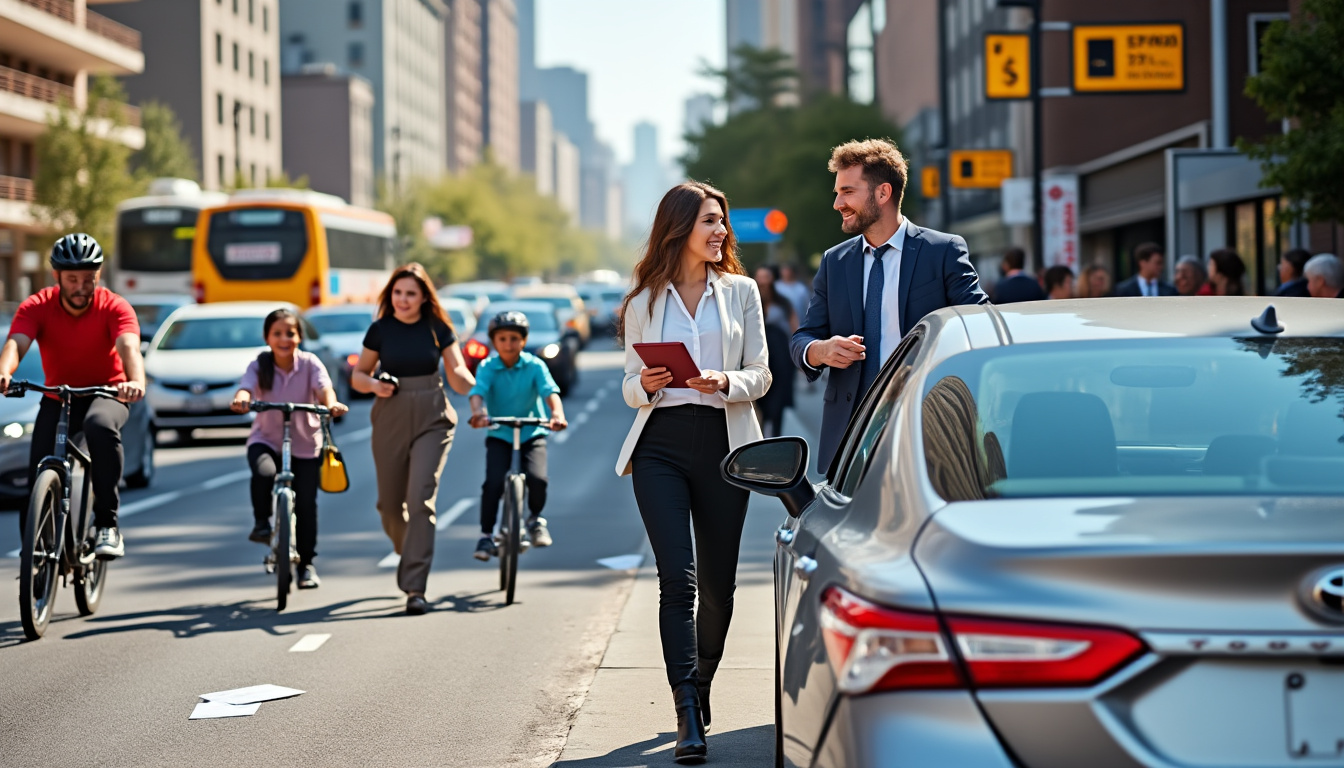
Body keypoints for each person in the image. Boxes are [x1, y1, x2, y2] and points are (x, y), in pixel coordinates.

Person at [615, 181, 770, 763]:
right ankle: (686, 710)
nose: (721, 231)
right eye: (709, 221)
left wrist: (727, 382)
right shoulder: (642, 302)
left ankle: (702, 680)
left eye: (722, 221)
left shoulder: (742, 293)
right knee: (676, 579)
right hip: (661, 446)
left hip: (725, 445)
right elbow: (630, 386)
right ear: (679, 228)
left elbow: (762, 372)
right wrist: (645, 384)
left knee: (719, 590)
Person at [791, 138, 987, 472]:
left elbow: (978, 323)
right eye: (837, 193)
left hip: (929, 419)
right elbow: (803, 338)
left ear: (883, 193)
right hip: (852, 433)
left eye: (848, 192)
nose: (838, 203)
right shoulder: (835, 262)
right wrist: (820, 351)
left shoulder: (943, 251)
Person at [0, 234, 144, 558]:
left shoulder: (115, 306)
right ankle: (34, 559)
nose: (81, 286)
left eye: (88, 278)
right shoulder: (37, 305)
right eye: (72, 279)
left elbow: (129, 347)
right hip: (58, 397)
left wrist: (135, 380)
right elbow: (16, 343)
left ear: (99, 273)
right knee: (38, 474)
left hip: (107, 392)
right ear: (57, 277)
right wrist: (4, 372)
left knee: (99, 425)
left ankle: (107, 525)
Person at [352, 263, 476, 616]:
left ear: (424, 298)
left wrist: (480, 388)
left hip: (432, 416)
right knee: (389, 506)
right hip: (389, 413)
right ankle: (407, 549)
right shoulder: (380, 330)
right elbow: (359, 375)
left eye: (410, 293)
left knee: (420, 498)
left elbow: (457, 372)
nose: (403, 299)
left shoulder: (438, 328)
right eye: (397, 292)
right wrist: (375, 385)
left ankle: (415, 587)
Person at [230, 309, 348, 589]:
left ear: (300, 337)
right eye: (277, 334)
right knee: (263, 472)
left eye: (291, 334)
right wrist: (241, 399)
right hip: (266, 439)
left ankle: (306, 564)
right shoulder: (259, 365)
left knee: (307, 505)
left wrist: (331, 404)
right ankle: (262, 523)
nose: (285, 339)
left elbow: (324, 388)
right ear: (267, 338)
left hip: (306, 445)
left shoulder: (310, 363)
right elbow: (245, 388)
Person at [467, 310, 567, 561]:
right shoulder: (488, 366)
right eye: (502, 339)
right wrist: (478, 413)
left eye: (514, 338)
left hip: (532, 432)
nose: (508, 344)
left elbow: (550, 391)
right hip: (500, 432)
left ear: (523, 340)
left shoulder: (535, 365)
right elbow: (478, 391)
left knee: (538, 478)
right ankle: (486, 535)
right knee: (492, 484)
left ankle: (535, 519)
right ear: (493, 341)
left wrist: (557, 414)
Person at [754, 265, 797, 438]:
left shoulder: (783, 302)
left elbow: (795, 327)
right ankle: (760, 438)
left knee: (779, 399)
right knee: (760, 399)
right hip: (758, 352)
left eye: (766, 277)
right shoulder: (749, 299)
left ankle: (777, 437)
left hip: (781, 354)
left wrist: (799, 355)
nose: (763, 281)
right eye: (760, 277)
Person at [1113, 243, 1177, 297]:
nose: (1161, 267)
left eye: (1161, 263)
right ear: (1143, 263)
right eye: (1158, 263)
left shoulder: (1169, 290)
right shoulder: (1123, 290)